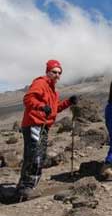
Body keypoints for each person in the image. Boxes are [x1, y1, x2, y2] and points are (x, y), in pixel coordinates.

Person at [16, 59, 78, 201]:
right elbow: (28, 99)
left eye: (59, 73)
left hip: (42, 126)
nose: (57, 75)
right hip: (34, 124)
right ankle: (26, 188)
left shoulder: (52, 90)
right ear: (48, 71)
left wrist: (68, 102)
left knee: (37, 155)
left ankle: (25, 187)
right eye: (54, 72)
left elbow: (55, 109)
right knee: (35, 156)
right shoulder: (40, 83)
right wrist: (40, 107)